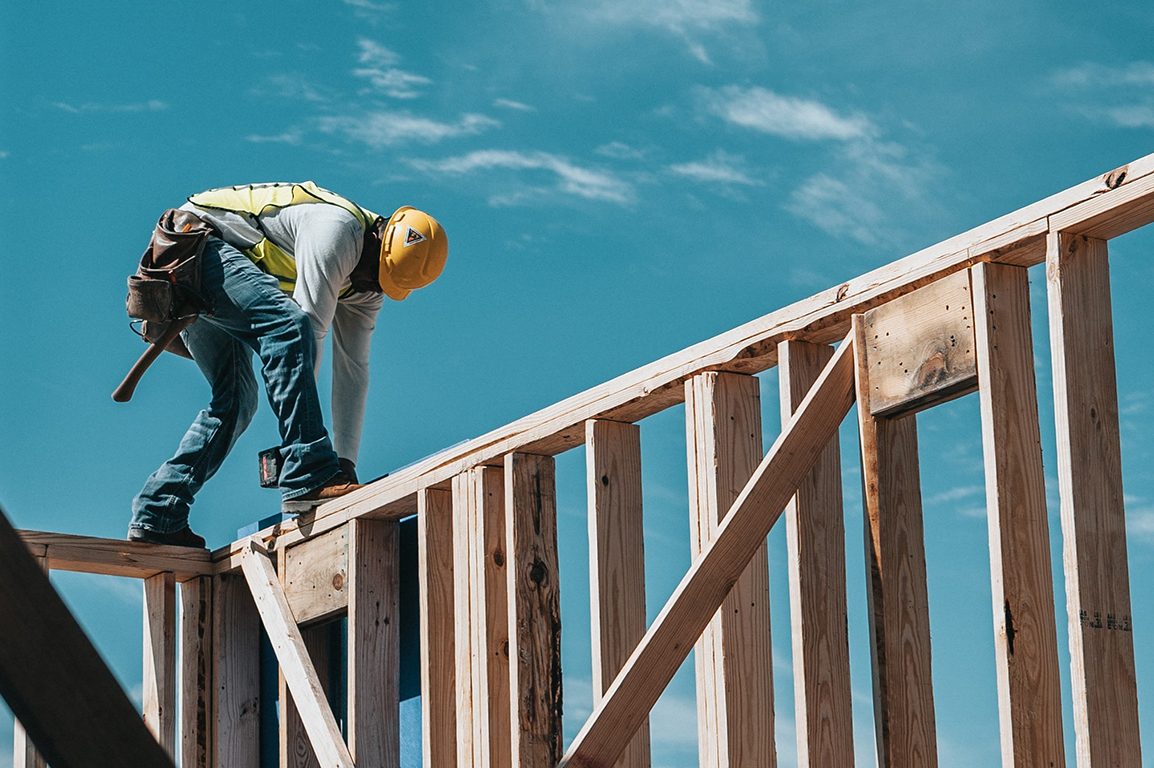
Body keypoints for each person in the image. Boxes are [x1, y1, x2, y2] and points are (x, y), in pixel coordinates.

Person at [127, 182, 447, 547]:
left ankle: (158, 512)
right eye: (373, 273)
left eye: (380, 283)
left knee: (236, 402)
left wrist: (345, 463)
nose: (368, 286)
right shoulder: (337, 230)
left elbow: (353, 371)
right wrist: (308, 458)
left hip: (207, 271)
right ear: (378, 236)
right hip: (190, 249)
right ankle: (308, 469)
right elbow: (305, 331)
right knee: (288, 326)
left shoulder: (367, 286)